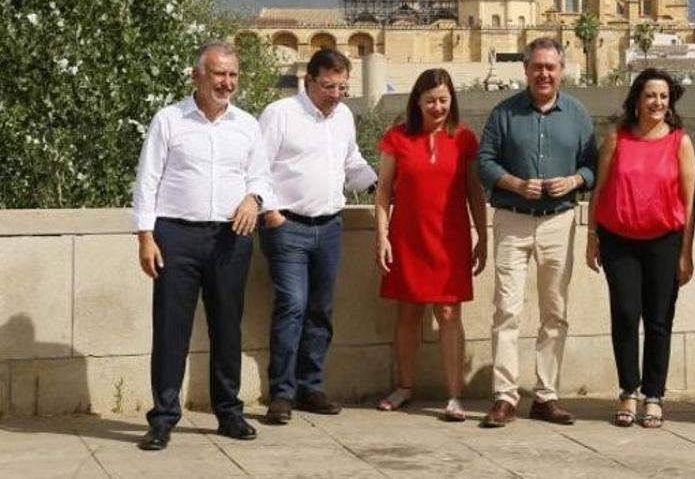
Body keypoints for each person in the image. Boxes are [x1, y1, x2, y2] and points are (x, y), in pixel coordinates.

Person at [131, 41, 271, 451]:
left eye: (232, 75)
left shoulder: (247, 124)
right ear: (198, 76)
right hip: (176, 236)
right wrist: (145, 237)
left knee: (227, 327)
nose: (226, 83)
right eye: (218, 74)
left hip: (231, 238)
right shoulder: (169, 120)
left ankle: (229, 412)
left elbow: (261, 177)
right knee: (170, 330)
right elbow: (147, 181)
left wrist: (253, 198)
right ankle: (163, 418)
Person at [476, 37, 596, 428]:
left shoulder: (577, 114)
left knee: (555, 312)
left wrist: (575, 180)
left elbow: (594, 166)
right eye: (537, 67)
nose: (544, 73)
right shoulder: (504, 113)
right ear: (526, 69)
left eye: (551, 67)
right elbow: (485, 163)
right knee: (507, 310)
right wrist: (513, 182)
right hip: (512, 219)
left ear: (561, 70)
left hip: (559, 221)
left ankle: (545, 395)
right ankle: (504, 396)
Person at [257, 48, 377, 425]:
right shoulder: (280, 114)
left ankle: (310, 386)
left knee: (321, 309)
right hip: (287, 225)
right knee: (292, 304)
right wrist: (270, 213)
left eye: (342, 86)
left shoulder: (343, 117)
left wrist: (381, 186)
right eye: (328, 86)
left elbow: (352, 162)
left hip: (329, 226)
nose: (336, 94)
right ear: (308, 81)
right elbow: (256, 166)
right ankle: (282, 392)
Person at [585, 68, 695, 429]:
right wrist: (591, 238)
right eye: (651, 95)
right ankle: (628, 391)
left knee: (659, 319)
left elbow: (690, 202)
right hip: (619, 241)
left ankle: (654, 395)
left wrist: (685, 252)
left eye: (664, 96)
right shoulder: (616, 139)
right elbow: (598, 191)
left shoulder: (680, 142)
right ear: (637, 99)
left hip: (664, 241)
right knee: (626, 315)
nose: (658, 102)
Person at [374, 68, 487, 422]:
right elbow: (383, 191)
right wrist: (382, 236)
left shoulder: (465, 139)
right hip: (407, 237)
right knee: (407, 313)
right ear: (417, 102)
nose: (437, 107)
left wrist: (482, 236)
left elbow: (474, 192)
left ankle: (454, 395)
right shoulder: (397, 137)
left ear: (451, 100)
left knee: (450, 314)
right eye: (430, 101)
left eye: (443, 100)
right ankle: (405, 386)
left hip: (450, 239)